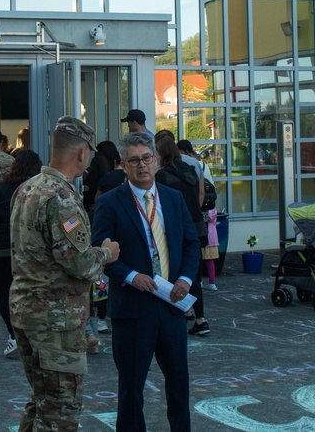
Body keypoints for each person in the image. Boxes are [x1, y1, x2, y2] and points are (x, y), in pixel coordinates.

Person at [8, 117, 120, 432]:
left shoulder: (26, 189)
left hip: (26, 312)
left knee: (43, 400)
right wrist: (106, 252)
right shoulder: (62, 198)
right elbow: (80, 263)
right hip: (55, 320)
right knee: (60, 412)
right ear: (82, 154)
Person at [91, 130, 201, 432]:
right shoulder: (111, 203)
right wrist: (129, 275)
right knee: (131, 389)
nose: (142, 166)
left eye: (147, 158)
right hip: (132, 309)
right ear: (123, 166)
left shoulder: (174, 199)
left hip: (172, 304)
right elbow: (99, 250)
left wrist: (185, 280)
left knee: (179, 382)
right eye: (134, 160)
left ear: (156, 159)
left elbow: (192, 245)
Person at [0, 149, 42, 359]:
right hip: (33, 252)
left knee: (4, 294)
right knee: (33, 294)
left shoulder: (1, 190)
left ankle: (15, 336)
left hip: (4, 250)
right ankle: (34, 337)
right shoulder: (39, 190)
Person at [155, 136, 210, 336]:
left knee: (180, 272)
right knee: (193, 272)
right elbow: (200, 196)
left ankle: (198, 318)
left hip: (177, 228)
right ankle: (195, 314)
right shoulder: (191, 170)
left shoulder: (162, 176)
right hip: (196, 224)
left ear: (161, 155)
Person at [202, 206, 219, 291]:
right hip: (212, 237)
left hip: (204, 235)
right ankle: (212, 283)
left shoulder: (202, 207)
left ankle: (200, 281)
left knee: (199, 260)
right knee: (209, 261)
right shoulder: (213, 208)